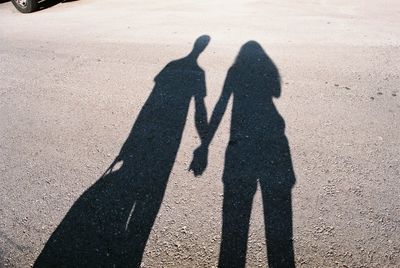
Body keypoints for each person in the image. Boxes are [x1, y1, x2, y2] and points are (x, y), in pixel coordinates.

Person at [34, 35, 210, 268]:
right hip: (172, 136)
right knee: (154, 190)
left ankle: (127, 251)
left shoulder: (173, 66)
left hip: (161, 135)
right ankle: (131, 252)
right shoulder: (195, 72)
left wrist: (130, 143)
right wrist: (204, 144)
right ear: (202, 48)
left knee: (148, 192)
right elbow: (198, 107)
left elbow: (150, 103)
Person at [191, 41, 296, 267]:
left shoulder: (235, 71)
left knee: (234, 226)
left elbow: (221, 105)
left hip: (241, 148)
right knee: (279, 226)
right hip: (274, 142)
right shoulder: (268, 70)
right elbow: (276, 92)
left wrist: (205, 144)